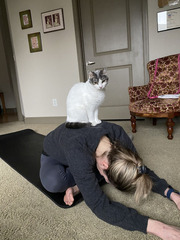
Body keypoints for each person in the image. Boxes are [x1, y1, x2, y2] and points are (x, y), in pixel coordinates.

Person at [40, 121, 180, 239]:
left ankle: (84, 181)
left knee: (129, 163)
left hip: (87, 157)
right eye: (107, 179)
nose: (108, 183)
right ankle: (84, 180)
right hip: (55, 155)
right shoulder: (78, 151)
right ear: (104, 165)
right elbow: (100, 206)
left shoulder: (117, 132)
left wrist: (173, 194)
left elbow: (140, 169)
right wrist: (159, 228)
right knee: (54, 182)